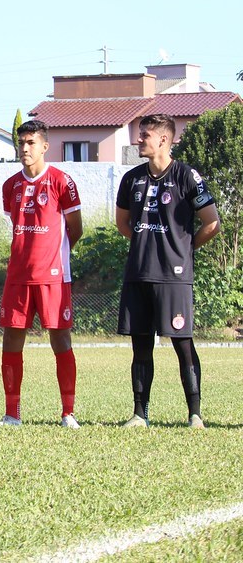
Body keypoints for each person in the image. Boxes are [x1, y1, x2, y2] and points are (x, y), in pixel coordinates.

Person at [115, 113, 220, 429]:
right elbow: (123, 223)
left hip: (174, 277)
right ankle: (139, 414)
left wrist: (184, 250)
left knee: (182, 344)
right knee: (141, 347)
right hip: (139, 274)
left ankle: (195, 415)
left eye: (144, 135)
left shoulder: (187, 176)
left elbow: (211, 222)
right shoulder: (131, 179)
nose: (138, 139)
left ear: (163, 139)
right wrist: (148, 245)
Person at [0, 120, 82, 428]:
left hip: (53, 276)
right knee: (11, 340)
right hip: (18, 276)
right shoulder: (11, 186)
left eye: (31, 143)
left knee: (60, 338)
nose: (25, 148)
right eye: (21, 143)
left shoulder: (62, 181)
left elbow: (76, 228)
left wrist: (53, 255)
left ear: (45, 146)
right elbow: (16, 225)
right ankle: (11, 414)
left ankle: (67, 413)